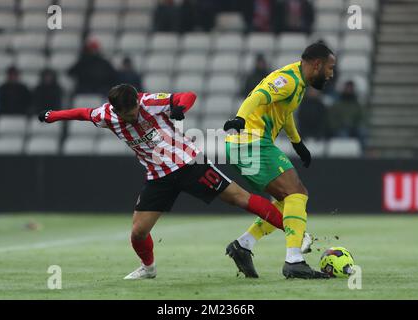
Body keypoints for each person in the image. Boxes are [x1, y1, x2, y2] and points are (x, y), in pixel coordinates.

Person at [37, 84, 305, 280]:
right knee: (138, 231)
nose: (132, 118)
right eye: (126, 115)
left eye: (133, 112)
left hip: (190, 164)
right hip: (158, 177)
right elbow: (83, 113)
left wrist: (179, 108)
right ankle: (148, 268)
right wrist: (53, 116)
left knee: (241, 198)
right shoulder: (108, 115)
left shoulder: (149, 102)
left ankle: (298, 235)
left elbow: (187, 95)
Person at [224, 42, 335, 279]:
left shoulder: (299, 82)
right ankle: (294, 260)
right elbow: (258, 96)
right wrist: (239, 119)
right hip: (250, 143)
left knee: (289, 201)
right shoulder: (289, 80)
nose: (331, 74)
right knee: (298, 194)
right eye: (330, 67)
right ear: (317, 64)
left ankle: (243, 245)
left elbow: (284, 113)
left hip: (252, 145)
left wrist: (297, 142)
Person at [327, 80, 366, 148]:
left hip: (353, 128)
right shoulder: (337, 104)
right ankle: (346, 154)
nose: (349, 90)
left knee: (362, 132)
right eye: (347, 88)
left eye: (350, 88)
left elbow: (361, 118)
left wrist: (354, 125)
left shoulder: (356, 105)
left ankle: (361, 153)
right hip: (340, 128)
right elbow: (332, 119)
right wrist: (340, 125)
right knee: (343, 134)